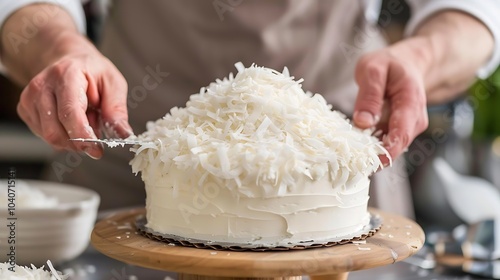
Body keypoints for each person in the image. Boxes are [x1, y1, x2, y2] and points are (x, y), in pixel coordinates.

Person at [1, 1, 499, 215]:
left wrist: (420, 56)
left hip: (330, 168)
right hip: (124, 152)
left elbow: (474, 14)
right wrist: (59, 48)